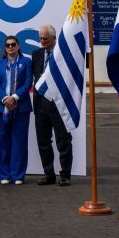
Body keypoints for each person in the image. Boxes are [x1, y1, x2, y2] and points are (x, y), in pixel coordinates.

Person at [30, 23, 72, 186]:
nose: (42, 41)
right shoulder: (36, 54)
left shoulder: (63, 54)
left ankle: (65, 174)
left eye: (45, 38)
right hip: (40, 104)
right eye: (40, 38)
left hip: (59, 104)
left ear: (54, 38)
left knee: (63, 140)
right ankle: (49, 174)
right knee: (43, 141)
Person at [0, 35, 33, 185]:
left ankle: (17, 175)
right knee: (2, 141)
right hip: (1, 106)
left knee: (19, 141)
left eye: (13, 44)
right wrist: (5, 99)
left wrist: (14, 97)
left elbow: (28, 82)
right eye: (8, 45)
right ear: (5, 48)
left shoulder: (26, 62)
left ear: (18, 46)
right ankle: (3, 174)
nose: (10, 47)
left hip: (20, 106)